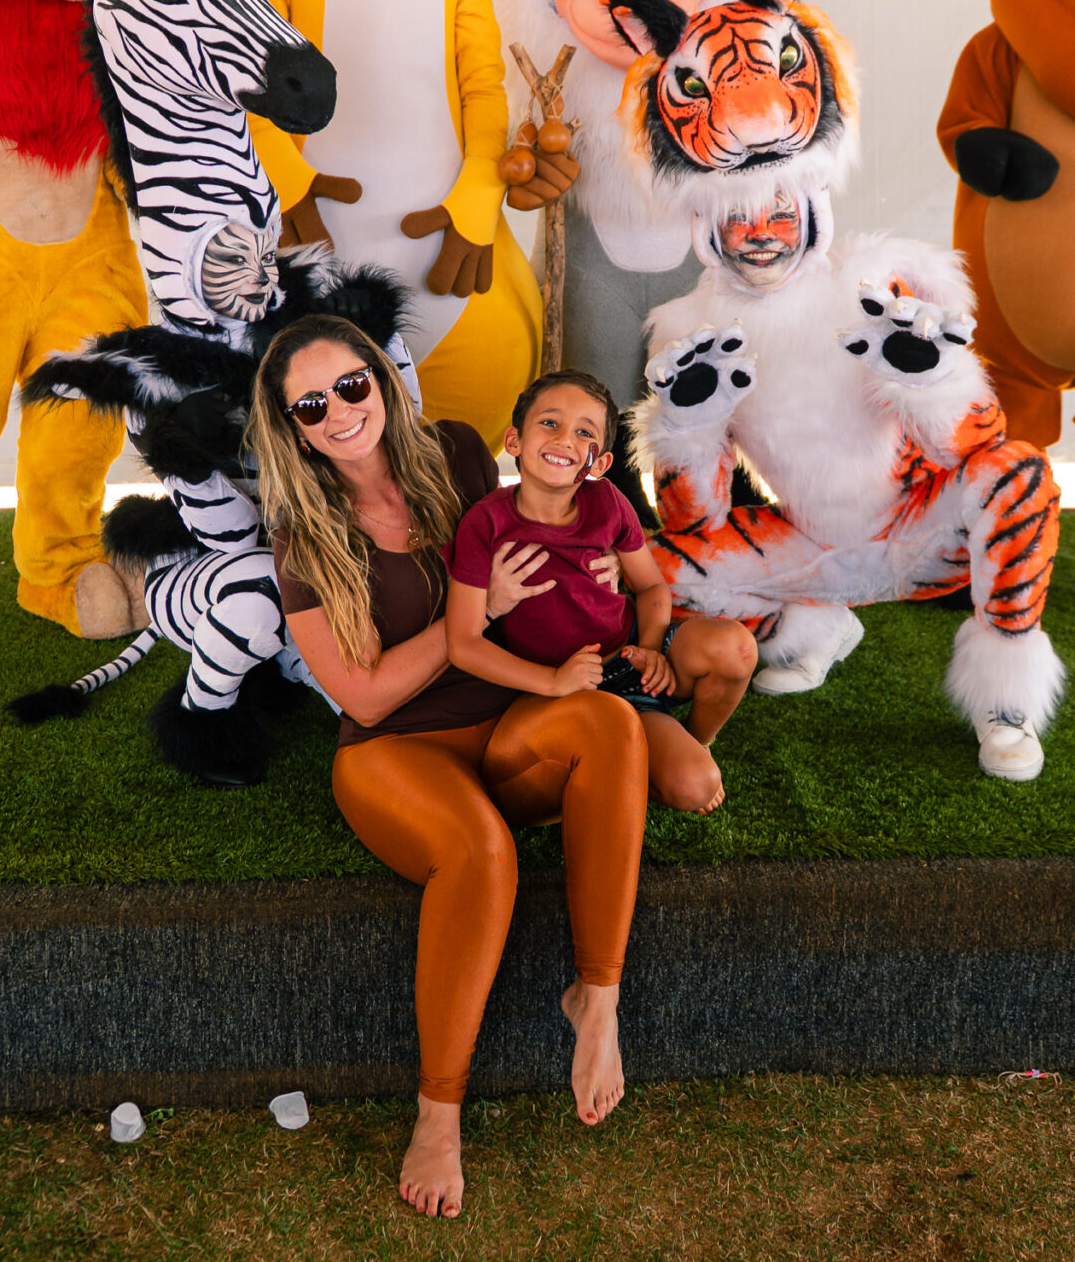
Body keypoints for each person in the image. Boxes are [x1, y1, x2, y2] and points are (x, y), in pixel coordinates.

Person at [250, 314, 650, 1220]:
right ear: (293, 428)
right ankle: (438, 1114)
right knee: (482, 851)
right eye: (310, 405)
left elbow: (550, 525)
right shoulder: (303, 534)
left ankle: (597, 998)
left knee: (611, 723)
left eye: (351, 385)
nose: (339, 411)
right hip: (394, 750)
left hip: (501, 720)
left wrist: (601, 578)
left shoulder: (459, 453)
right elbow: (364, 696)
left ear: (381, 380)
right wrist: (477, 614)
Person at [443, 370, 756, 813]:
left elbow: (650, 587)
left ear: (600, 463)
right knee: (693, 787)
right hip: (566, 690)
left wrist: (650, 650)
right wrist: (554, 681)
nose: (565, 440)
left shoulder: (608, 501)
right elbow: (463, 644)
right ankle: (652, 752)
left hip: (633, 656)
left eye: (585, 432)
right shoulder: (484, 524)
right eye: (550, 423)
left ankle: (695, 739)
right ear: (514, 441)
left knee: (735, 649)